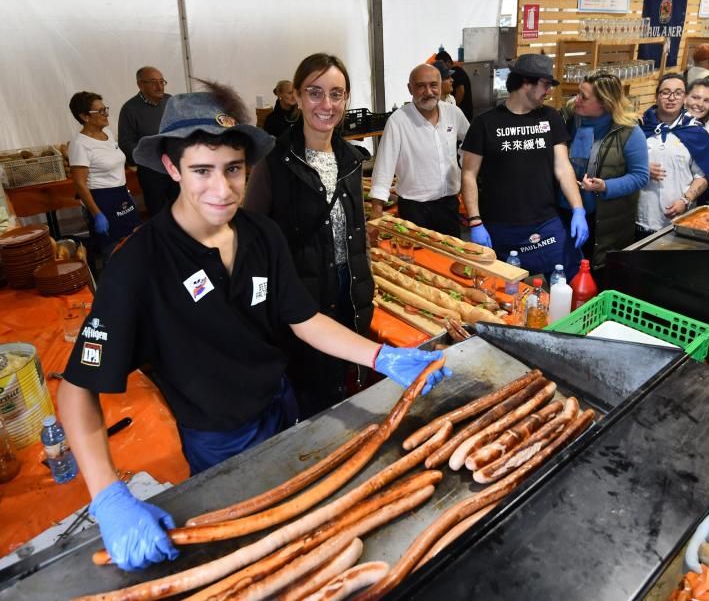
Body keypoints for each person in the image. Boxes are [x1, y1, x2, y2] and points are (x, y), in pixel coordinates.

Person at [58, 81, 449, 572]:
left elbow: (302, 317)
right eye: (201, 170)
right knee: (252, 554)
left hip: (283, 407)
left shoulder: (261, 234)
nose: (221, 190)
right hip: (219, 436)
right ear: (171, 167)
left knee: (312, 532)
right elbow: (76, 390)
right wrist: (109, 494)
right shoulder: (138, 263)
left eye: (233, 169)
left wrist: (379, 356)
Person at [244, 53, 376, 420]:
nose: (326, 104)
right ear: (298, 96)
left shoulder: (350, 158)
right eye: (315, 93)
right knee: (312, 400)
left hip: (348, 290)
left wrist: (365, 287)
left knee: (347, 389)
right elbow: (251, 238)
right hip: (300, 299)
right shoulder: (275, 160)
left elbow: (355, 233)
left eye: (337, 94)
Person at [461, 53, 588, 276]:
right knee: (503, 291)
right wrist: (475, 221)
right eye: (545, 84)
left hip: (546, 222)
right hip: (500, 225)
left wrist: (578, 208)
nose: (549, 91)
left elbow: (563, 167)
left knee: (565, 281)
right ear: (525, 82)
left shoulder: (550, 118)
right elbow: (469, 174)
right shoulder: (485, 123)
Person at [559, 70, 649, 269]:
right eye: (578, 93)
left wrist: (605, 186)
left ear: (605, 103)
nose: (576, 99)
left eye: (584, 97)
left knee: (590, 274)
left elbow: (641, 176)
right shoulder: (568, 119)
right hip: (563, 211)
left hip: (602, 221)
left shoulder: (629, 131)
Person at [370, 63, 470, 235]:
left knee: (451, 255)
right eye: (421, 86)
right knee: (417, 259)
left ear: (440, 86)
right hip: (414, 208)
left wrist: (463, 166)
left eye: (433, 85)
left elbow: (471, 144)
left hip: (449, 204)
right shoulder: (398, 121)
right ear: (410, 89)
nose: (428, 92)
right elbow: (384, 167)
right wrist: (376, 210)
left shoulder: (453, 113)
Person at [637, 74, 709, 236]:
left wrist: (685, 200)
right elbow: (619, 164)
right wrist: (640, 169)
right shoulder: (639, 128)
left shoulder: (697, 133)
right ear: (656, 96)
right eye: (665, 92)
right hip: (639, 217)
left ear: (685, 98)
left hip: (681, 219)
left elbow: (702, 176)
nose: (671, 98)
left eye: (678, 93)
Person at [67, 92, 140, 255]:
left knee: (133, 241)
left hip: (121, 195)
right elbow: (79, 183)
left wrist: (126, 193)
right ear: (84, 116)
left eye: (105, 109)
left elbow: (116, 168)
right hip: (102, 201)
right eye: (100, 111)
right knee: (114, 249)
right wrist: (97, 213)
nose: (106, 114)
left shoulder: (108, 135)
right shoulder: (80, 144)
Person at [118, 66, 178, 217]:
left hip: (175, 166)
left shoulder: (171, 101)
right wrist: (151, 157)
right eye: (153, 82)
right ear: (140, 85)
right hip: (151, 172)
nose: (159, 86)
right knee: (158, 212)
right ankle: (162, 239)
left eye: (161, 81)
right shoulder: (130, 109)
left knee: (181, 208)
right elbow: (126, 143)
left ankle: (182, 239)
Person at [436, 49, 473, 121]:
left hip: (463, 111)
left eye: (442, 64)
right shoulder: (443, 99)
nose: (451, 80)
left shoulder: (457, 71)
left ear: (448, 62)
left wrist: (454, 109)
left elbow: (461, 91)